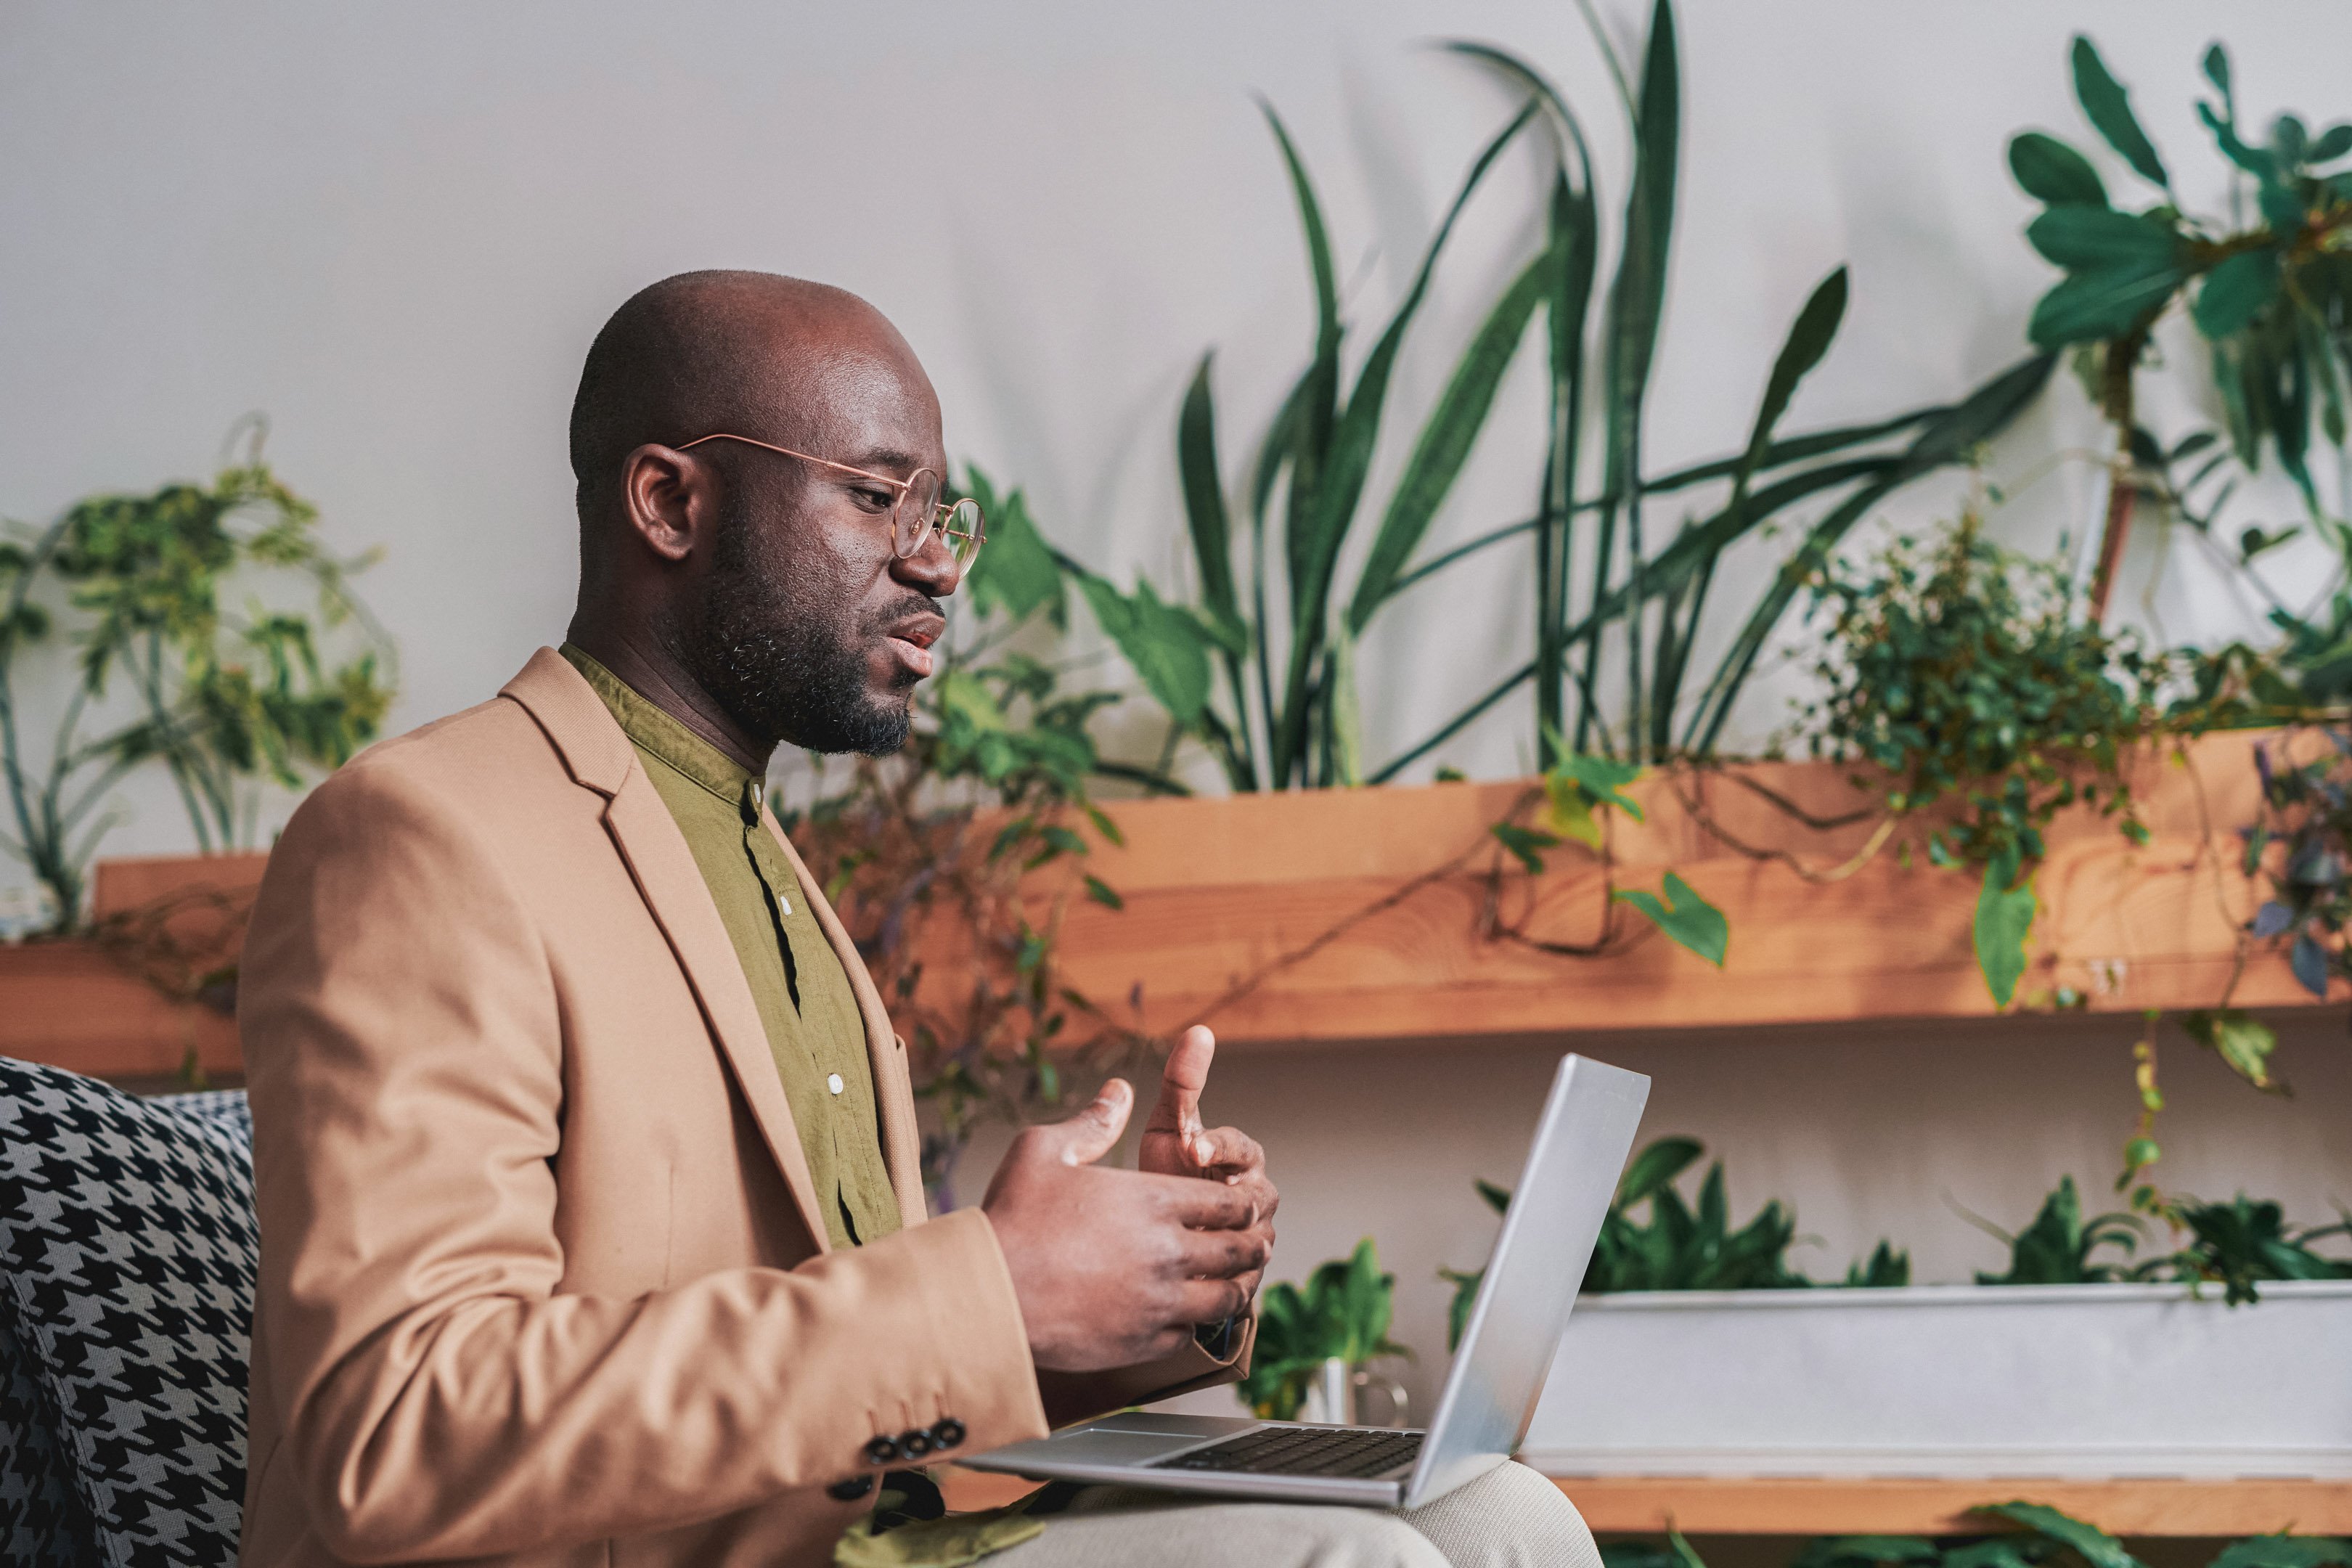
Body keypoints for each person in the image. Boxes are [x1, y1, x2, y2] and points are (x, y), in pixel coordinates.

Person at [236, 270, 1601, 1568]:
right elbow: (397, 1427)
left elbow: (860, 1384)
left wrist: (1126, 1294)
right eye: (879, 497)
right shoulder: (424, 835)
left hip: (884, 1541)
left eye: (940, 514)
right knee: (1346, 1555)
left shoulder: (763, 855)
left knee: (1500, 1515)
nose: (936, 566)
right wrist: (991, 1285)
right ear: (668, 502)